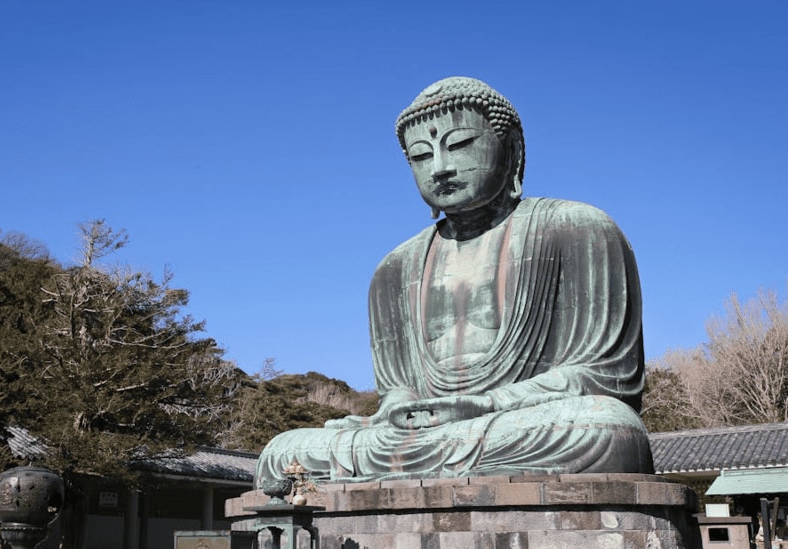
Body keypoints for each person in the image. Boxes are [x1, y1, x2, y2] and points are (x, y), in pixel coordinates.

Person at [256, 76, 652, 488]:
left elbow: (606, 377)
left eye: (460, 145)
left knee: (606, 429)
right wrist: (398, 409)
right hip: (427, 435)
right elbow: (398, 389)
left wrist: (485, 404)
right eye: (421, 157)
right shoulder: (393, 269)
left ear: (512, 149)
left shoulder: (577, 229)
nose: (441, 168)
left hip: (518, 420)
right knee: (282, 453)